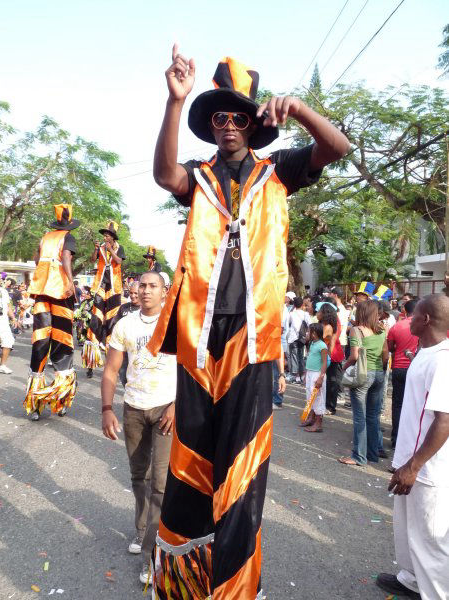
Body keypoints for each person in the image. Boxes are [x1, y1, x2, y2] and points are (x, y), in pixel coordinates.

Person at [147, 45, 350, 598]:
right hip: (199, 337)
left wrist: (302, 109)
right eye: (219, 117)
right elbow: (165, 174)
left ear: (253, 123)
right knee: (192, 459)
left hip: (254, 340)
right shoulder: (199, 176)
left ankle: (234, 588)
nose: (229, 126)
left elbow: (338, 147)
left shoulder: (277, 172)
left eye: (238, 116)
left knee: (243, 469)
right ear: (211, 126)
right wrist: (174, 101)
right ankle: (187, 579)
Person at [101, 271, 177, 587]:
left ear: (165, 291)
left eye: (153, 286)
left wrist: (177, 406)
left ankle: (151, 557)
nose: (146, 290)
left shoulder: (176, 324)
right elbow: (110, 370)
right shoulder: (126, 324)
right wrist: (106, 409)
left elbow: (192, 369)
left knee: (159, 483)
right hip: (133, 409)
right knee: (138, 477)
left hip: (165, 411)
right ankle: (143, 528)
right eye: (142, 285)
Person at [376, 294, 449, 599]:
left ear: (426, 320)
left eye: (414, 315)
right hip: (409, 462)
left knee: (430, 539)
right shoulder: (425, 351)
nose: (409, 320)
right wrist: (403, 461)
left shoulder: (443, 360)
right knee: (407, 531)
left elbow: (444, 421)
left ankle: (436, 592)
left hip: (427, 468)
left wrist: (413, 466)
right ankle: (411, 581)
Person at [24, 204, 79, 421]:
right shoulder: (68, 237)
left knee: (40, 343)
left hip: (41, 293)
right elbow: (66, 258)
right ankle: (60, 401)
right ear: (70, 222)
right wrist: (71, 284)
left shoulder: (45, 237)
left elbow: (38, 260)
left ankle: (35, 404)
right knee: (62, 344)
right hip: (60, 292)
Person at [339, 300, 389, 465]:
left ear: (361, 313)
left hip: (362, 374)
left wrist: (343, 368)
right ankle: (372, 454)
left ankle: (359, 457)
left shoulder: (356, 330)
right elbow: (385, 356)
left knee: (360, 416)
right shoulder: (382, 331)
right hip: (378, 374)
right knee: (373, 416)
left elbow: (354, 356)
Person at [82, 221, 125, 375]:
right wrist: (96, 249)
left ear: (113, 238)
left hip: (114, 289)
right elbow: (93, 260)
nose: (105, 237)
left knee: (112, 323)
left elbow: (119, 261)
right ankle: (90, 364)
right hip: (100, 286)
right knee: (95, 321)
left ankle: (112, 362)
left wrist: (110, 251)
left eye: (108, 235)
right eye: (104, 235)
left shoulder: (120, 248)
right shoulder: (101, 247)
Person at [387, 299, 419, 449]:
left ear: (404, 311)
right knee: (415, 405)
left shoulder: (396, 326)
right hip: (418, 370)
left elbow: (391, 347)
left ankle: (396, 439)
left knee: (398, 404)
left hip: (399, 368)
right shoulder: (425, 326)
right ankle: (411, 441)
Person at [316, 301, 344, 415]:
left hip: (332, 355)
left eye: (319, 311)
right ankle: (325, 404)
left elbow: (331, 342)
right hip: (327, 354)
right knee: (327, 380)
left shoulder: (332, 324)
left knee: (332, 381)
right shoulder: (325, 324)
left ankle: (331, 406)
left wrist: (327, 357)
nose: (317, 313)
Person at [111, 281, 141, 387]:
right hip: (124, 352)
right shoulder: (123, 308)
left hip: (139, 352)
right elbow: (115, 325)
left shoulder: (147, 309)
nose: (133, 296)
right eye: (131, 293)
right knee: (124, 378)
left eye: (136, 293)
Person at [300, 322, 328, 432]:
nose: (307, 333)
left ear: (314, 333)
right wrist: (306, 374)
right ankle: (311, 418)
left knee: (318, 397)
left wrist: (321, 377)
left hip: (317, 374)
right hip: (311, 373)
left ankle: (318, 423)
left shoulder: (322, 345)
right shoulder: (312, 343)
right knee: (309, 396)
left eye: (309, 331)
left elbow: (325, 362)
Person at [287, 296, 310, 384]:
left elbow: (288, 324)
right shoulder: (306, 314)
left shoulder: (291, 314)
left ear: (294, 304)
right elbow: (309, 325)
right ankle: (303, 375)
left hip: (293, 337)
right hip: (303, 338)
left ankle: (297, 377)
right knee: (301, 356)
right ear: (302, 304)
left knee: (294, 356)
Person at [0, 280, 17, 374]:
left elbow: (8, 306)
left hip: (3, 320)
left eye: (0, 279)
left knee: (8, 340)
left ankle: (2, 365)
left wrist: (13, 318)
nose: (0, 280)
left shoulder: (4, 291)